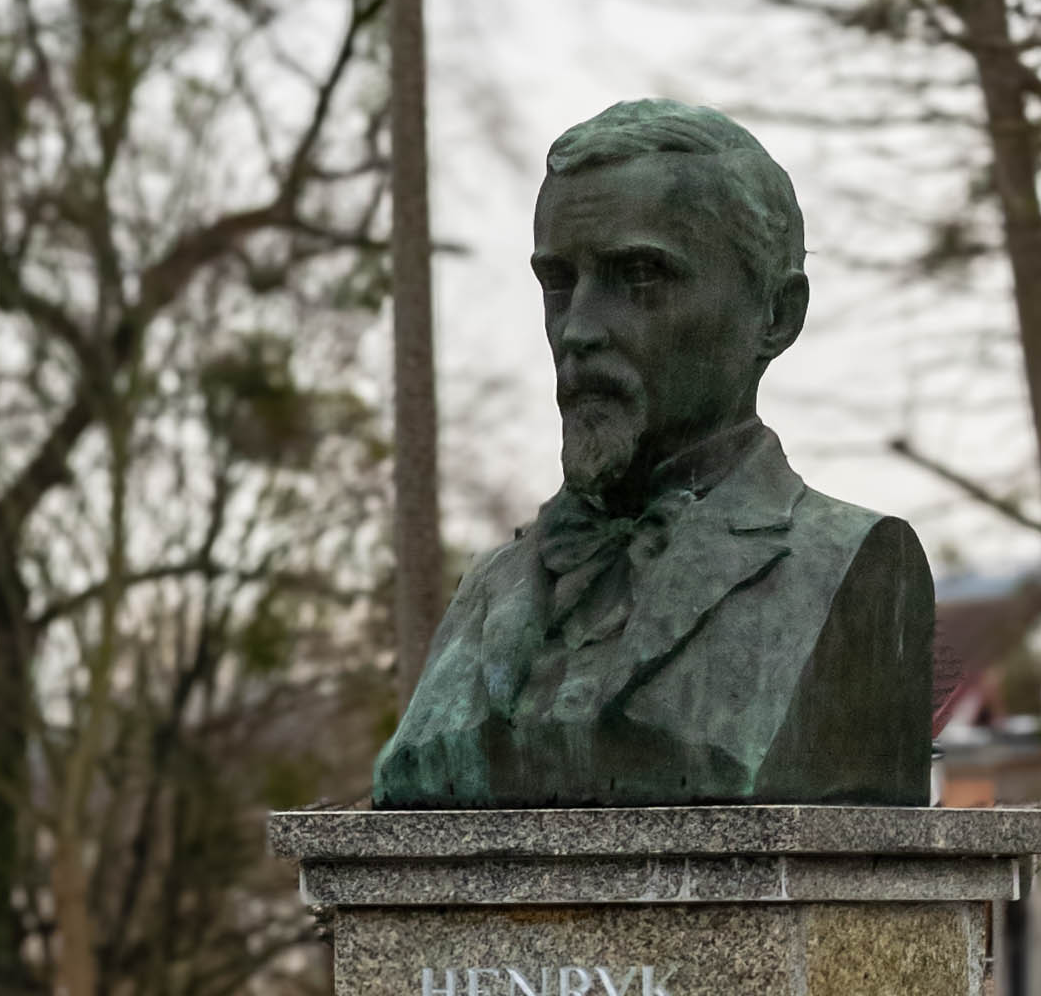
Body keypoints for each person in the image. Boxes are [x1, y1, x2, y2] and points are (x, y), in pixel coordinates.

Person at [373, 99, 930, 805]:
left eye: (638, 277)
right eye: (558, 283)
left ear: (775, 315)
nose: (577, 330)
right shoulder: (491, 585)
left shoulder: (854, 566)